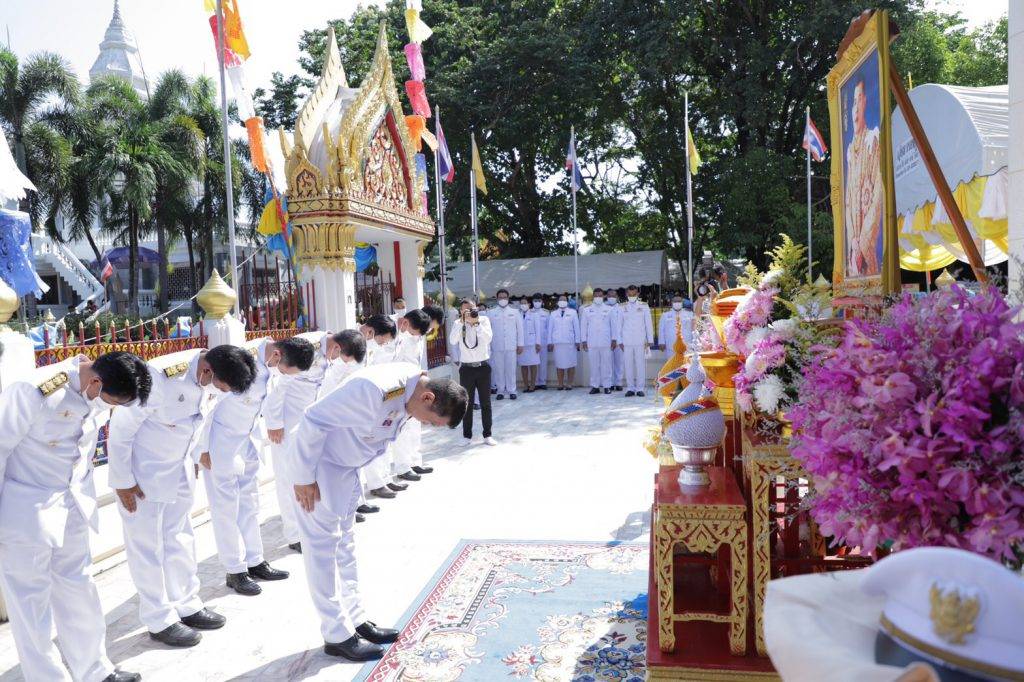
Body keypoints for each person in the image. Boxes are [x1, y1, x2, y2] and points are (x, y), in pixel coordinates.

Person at [290, 363, 468, 662]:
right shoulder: (374, 390)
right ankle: (336, 634)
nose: (424, 424)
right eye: (430, 421)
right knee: (322, 550)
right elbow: (314, 419)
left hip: (346, 467)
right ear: (427, 398)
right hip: (318, 467)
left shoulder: (411, 389)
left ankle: (355, 619)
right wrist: (303, 477)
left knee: (344, 546)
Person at [0, 352, 150, 682]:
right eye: (112, 402)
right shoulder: (32, 391)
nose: (110, 408)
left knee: (80, 590)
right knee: (31, 606)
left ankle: (95, 671)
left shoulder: (96, 389)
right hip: (26, 514)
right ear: (95, 381)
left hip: (72, 507)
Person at [108, 345, 255, 647]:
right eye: (220, 387)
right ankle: (158, 618)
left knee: (180, 537)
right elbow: (121, 428)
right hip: (143, 476)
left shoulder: (210, 376)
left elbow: (195, 421)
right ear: (207, 370)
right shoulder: (159, 377)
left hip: (179, 468)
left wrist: (196, 455)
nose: (219, 392)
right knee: (147, 547)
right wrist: (122, 481)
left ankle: (187, 603)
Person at [200, 338, 300, 596]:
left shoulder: (267, 365)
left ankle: (255, 561)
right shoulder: (235, 362)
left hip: (247, 444)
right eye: (285, 369)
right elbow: (207, 407)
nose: (284, 374)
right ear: (277, 356)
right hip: (221, 447)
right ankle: (235, 570)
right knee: (226, 510)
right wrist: (201, 449)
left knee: (250, 505)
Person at [263, 336, 323, 553]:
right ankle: (294, 534)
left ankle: (308, 526)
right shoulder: (268, 359)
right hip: (284, 430)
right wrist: (274, 423)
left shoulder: (301, 351)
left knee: (306, 476)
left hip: (303, 425)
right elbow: (274, 394)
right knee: (287, 480)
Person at [360, 315, 405, 500]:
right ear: (372, 331)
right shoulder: (354, 342)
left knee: (383, 440)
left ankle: (384, 478)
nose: (383, 344)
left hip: (379, 399)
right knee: (370, 443)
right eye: (383, 340)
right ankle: (376, 483)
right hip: (363, 403)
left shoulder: (371, 343)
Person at [845, 78, 883, 277]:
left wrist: (862, 244)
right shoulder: (851, 151)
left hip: (867, 252)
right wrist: (853, 241)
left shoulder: (873, 140)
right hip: (854, 254)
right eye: (852, 103)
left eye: (859, 100)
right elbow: (848, 202)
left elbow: (878, 196)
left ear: (866, 102)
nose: (855, 109)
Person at [450, 298, 497, 446]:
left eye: (471, 308)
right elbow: (452, 341)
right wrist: (462, 322)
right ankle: (467, 436)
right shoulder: (458, 323)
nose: (469, 311)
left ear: (476, 307)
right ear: (461, 311)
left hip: (483, 367)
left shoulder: (484, 320)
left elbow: (488, 338)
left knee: (486, 403)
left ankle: (487, 435)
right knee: (467, 404)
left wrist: (476, 324)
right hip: (466, 369)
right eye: (466, 309)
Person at [580, 287, 618, 394]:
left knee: (607, 365)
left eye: (600, 296)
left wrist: (614, 339)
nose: (598, 298)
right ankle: (595, 386)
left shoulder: (609, 309)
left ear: (603, 296)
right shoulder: (587, 310)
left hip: (606, 342)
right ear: (593, 297)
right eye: (596, 296)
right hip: (592, 342)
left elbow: (614, 326)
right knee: (594, 365)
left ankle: (607, 386)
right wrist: (583, 340)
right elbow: (583, 326)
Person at [618, 285, 654, 397]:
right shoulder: (622, 307)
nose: (632, 296)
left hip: (640, 340)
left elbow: (648, 323)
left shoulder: (644, 306)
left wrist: (650, 339)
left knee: (640, 365)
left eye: (634, 294)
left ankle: (640, 388)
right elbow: (619, 325)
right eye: (630, 294)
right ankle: (630, 388)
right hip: (627, 341)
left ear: (637, 294)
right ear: (626, 294)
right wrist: (619, 341)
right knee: (628, 365)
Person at [487, 289, 523, 400]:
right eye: (500, 297)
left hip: (511, 346)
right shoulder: (491, 313)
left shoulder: (515, 312)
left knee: (511, 369)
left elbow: (520, 330)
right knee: (498, 369)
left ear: (508, 298)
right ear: (497, 299)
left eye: (504, 297)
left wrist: (520, 344)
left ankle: (512, 390)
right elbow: (488, 331)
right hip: (496, 345)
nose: (503, 299)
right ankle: (500, 391)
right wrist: (488, 346)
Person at [547, 293, 580, 390]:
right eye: (561, 300)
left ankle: (569, 384)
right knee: (559, 364)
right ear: (558, 302)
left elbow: (576, 327)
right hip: (557, 343)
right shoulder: (553, 314)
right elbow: (550, 329)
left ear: (567, 302)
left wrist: (577, 341)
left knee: (571, 363)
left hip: (570, 342)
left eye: (564, 300)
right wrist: (550, 342)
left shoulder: (573, 312)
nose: (562, 301)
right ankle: (560, 384)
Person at [517, 296, 542, 392]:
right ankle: (525, 385)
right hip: (521, 344)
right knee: (523, 365)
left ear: (529, 304)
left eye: (525, 303)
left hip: (532, 344)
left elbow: (538, 330)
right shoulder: (517, 314)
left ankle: (532, 385)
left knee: (533, 364)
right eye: (521, 303)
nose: (523, 305)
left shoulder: (534, 314)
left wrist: (538, 343)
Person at [532, 294, 551, 390]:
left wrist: (549, 341)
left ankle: (542, 382)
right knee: (534, 362)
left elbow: (549, 328)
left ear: (542, 301)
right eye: (535, 301)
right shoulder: (529, 312)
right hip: (533, 341)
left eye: (539, 300)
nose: (537, 302)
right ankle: (534, 382)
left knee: (543, 362)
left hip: (543, 341)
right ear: (532, 302)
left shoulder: (546, 313)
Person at [607, 290, 625, 391]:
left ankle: (618, 382)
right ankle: (609, 383)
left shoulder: (622, 309)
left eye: (613, 296)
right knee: (608, 363)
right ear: (607, 297)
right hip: (607, 340)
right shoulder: (604, 308)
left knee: (619, 362)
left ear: (617, 297)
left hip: (619, 340)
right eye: (609, 296)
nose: (611, 298)